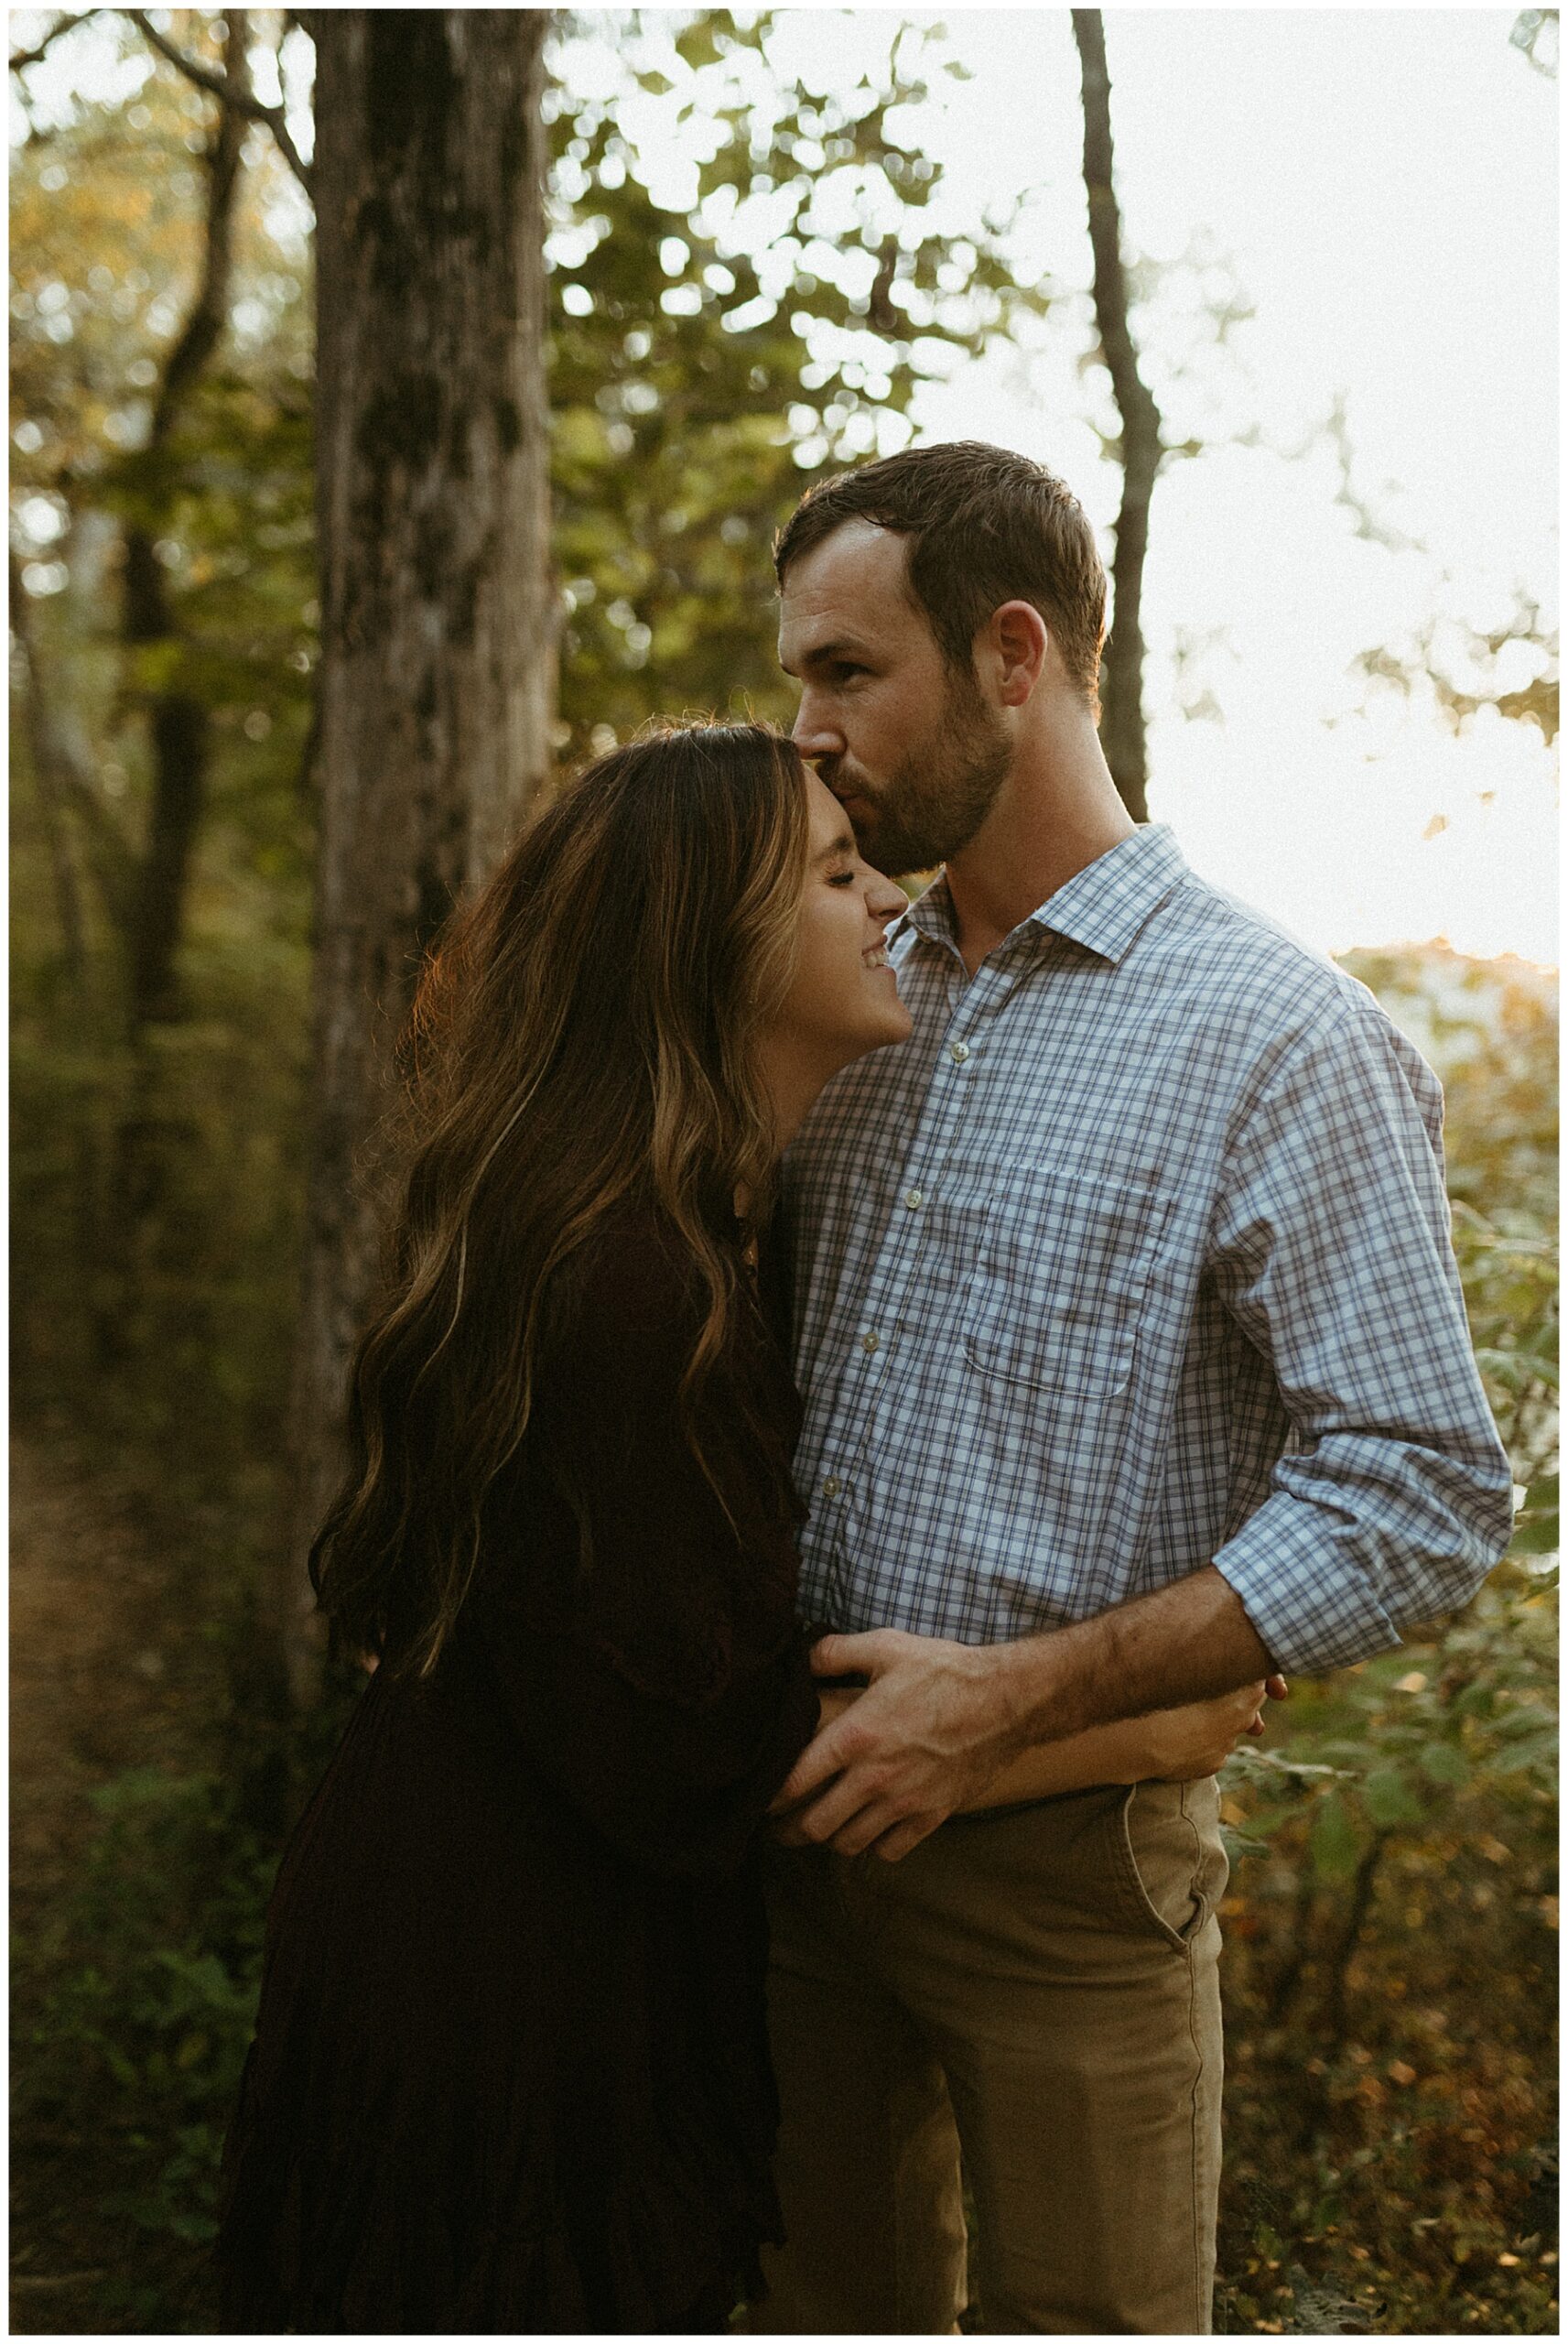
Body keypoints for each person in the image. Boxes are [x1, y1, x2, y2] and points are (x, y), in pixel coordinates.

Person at [214, 722, 1269, 2336]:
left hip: (510, 1924)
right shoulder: (630, 1285)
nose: (885, 902)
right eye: (838, 874)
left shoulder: (671, 1218)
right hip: (515, 1991)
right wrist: (1145, 1720)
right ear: (711, 940)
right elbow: (710, 1755)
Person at [759, 441, 1516, 2335]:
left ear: (1012, 653)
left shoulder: (1279, 1037)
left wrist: (1014, 1701)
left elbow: (1417, 1489)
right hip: (770, 1839)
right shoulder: (835, 978)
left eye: (846, 672)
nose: (807, 733)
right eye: (798, 678)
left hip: (1067, 1881)